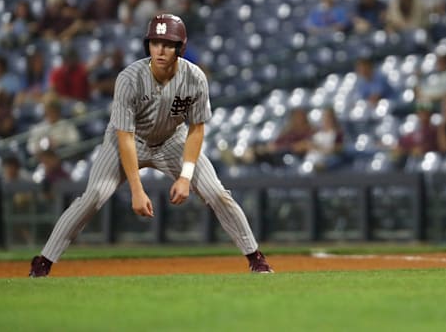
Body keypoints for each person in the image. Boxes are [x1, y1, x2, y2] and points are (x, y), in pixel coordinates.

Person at [29, 14, 273, 277]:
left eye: (168, 44)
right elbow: (125, 136)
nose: (160, 49)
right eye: (155, 42)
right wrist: (136, 188)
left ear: (180, 48)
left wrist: (185, 177)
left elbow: (196, 129)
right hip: (127, 140)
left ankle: (254, 256)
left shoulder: (195, 78)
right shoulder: (129, 78)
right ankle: (44, 261)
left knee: (216, 192)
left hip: (173, 141)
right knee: (94, 197)